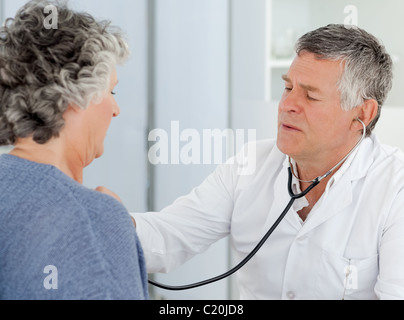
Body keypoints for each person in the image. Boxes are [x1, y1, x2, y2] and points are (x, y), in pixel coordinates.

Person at [132, 24, 404, 300]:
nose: (287, 104)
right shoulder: (248, 165)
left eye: (310, 96)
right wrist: (103, 219)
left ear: (362, 114)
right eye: (288, 87)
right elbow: (168, 236)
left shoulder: (396, 189)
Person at [0, 0, 149, 300]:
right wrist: (109, 225)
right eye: (112, 91)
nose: (116, 109)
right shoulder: (98, 222)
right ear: (76, 92)